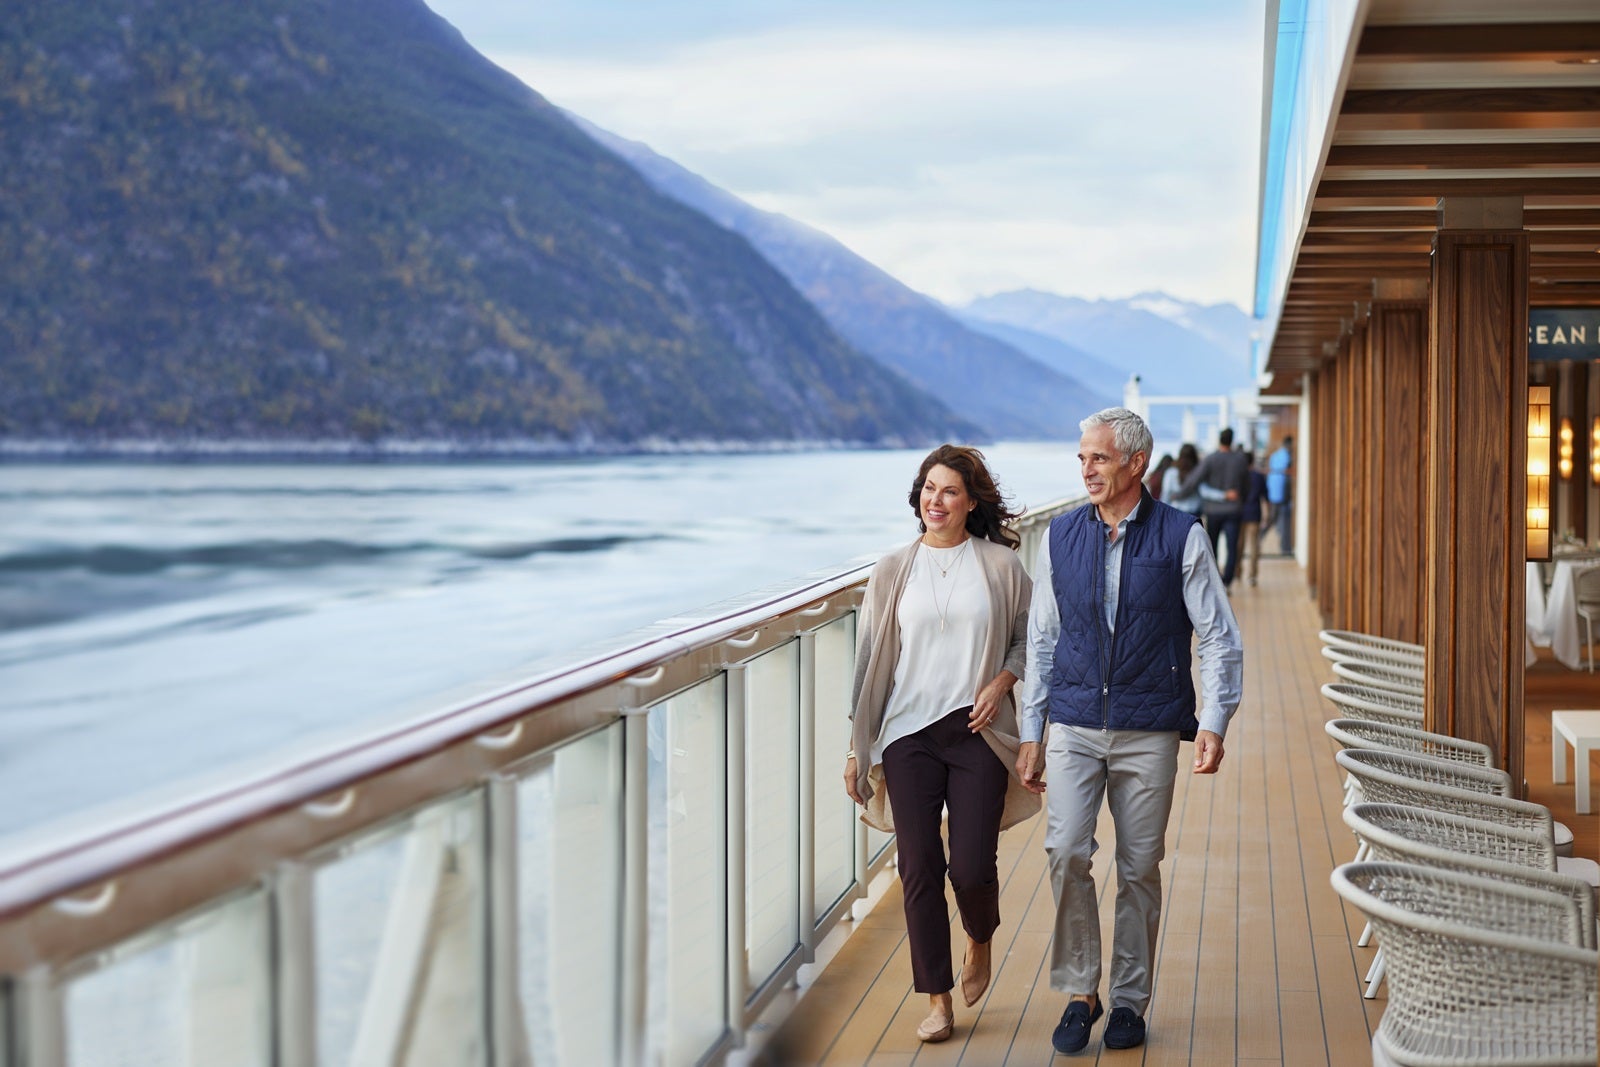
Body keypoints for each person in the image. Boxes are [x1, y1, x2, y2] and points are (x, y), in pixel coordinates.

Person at [1015, 407, 1243, 1055]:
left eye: (1099, 457)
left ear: (1136, 464)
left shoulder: (1181, 536)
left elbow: (1220, 638)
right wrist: (1032, 726)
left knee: (1140, 865)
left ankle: (1129, 1000)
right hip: (1075, 723)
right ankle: (1081, 990)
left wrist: (1216, 719)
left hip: (1148, 726)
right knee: (1066, 851)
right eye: (1082, 457)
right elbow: (1042, 640)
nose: (1086, 468)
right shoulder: (1061, 537)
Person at [846, 444, 1042, 1044]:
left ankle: (979, 939)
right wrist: (857, 746)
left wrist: (1002, 682)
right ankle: (937, 998)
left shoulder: (1001, 567)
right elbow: (868, 663)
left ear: (971, 500)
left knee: (972, 865)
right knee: (919, 866)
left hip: (976, 730)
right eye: (929, 488)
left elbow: (1031, 639)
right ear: (919, 496)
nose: (937, 500)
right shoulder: (891, 570)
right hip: (906, 735)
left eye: (950, 490)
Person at [1178, 428, 1251, 589]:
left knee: (1212, 546)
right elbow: (1247, 484)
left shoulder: (1211, 459)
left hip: (1213, 511)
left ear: (1220, 440)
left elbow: (1194, 480)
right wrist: (1241, 500)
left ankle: (1216, 579)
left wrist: (1180, 494)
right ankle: (1228, 581)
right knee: (1232, 547)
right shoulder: (1240, 460)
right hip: (1234, 509)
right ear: (1231, 441)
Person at [1238, 452, 1267, 587]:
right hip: (1254, 513)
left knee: (1238, 544)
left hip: (1239, 513)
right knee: (1254, 545)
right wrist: (1267, 514)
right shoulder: (1259, 476)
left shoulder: (1238, 475)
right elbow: (1265, 496)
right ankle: (1252, 576)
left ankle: (1237, 571)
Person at [1267, 434, 1294, 554]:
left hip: (1274, 492)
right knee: (1281, 519)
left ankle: (1260, 537)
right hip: (1282, 493)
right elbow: (1288, 472)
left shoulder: (1275, 455)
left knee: (1274, 518)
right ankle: (1285, 547)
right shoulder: (1286, 457)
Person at [1161, 443, 1202, 515]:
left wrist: (1162, 512)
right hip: (1194, 510)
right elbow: (1202, 492)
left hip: (1176, 510)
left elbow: (1166, 493)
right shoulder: (1198, 472)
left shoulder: (1171, 472)